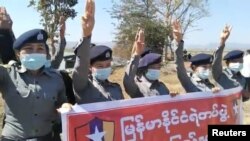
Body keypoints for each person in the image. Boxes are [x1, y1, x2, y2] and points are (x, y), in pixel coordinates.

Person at [72, 0, 124, 104]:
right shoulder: (83, 87)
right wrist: (86, 35)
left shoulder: (116, 89)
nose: (105, 68)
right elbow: (81, 66)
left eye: (108, 64)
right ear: (90, 67)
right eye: (100, 66)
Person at [123, 28, 173, 98]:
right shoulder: (138, 88)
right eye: (153, 67)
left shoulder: (162, 86)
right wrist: (136, 53)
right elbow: (128, 81)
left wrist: (172, 98)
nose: (156, 70)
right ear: (145, 69)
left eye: (158, 67)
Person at [173, 20, 220, 93]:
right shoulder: (189, 82)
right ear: (194, 67)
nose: (208, 70)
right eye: (204, 67)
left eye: (209, 67)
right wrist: (178, 41)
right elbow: (179, 65)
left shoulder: (210, 85)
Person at [212, 25, 250, 100]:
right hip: (222, 110)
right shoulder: (220, 75)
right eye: (235, 61)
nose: (239, 63)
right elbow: (216, 62)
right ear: (227, 63)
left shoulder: (242, 78)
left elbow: (242, 99)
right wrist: (222, 41)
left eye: (241, 61)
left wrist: (246, 95)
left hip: (235, 110)